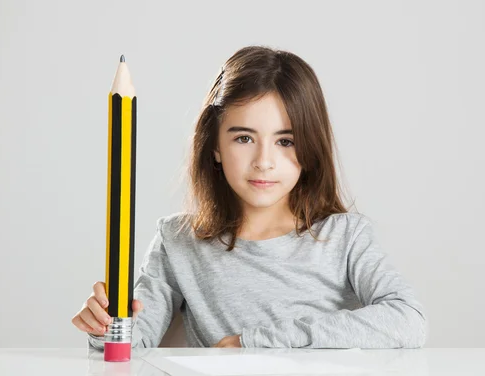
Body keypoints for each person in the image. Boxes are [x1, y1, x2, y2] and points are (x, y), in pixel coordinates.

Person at [71, 45, 428, 349]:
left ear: (310, 148)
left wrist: (252, 342)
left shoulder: (345, 237)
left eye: (285, 141)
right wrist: (104, 326)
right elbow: (129, 347)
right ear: (215, 146)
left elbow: (408, 320)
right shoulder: (177, 242)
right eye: (244, 138)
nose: (264, 162)